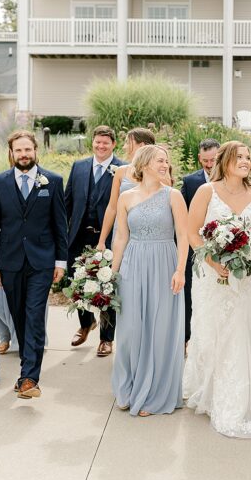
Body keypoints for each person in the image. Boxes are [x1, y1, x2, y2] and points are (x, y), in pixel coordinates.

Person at [183, 141, 251, 438]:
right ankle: (208, 391)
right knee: (211, 335)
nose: (247, 161)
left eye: (249, 156)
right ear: (225, 160)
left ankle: (237, 398)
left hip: (245, 282)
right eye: (240, 157)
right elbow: (191, 231)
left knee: (241, 334)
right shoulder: (206, 191)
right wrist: (213, 262)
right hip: (213, 279)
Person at [110, 145, 188, 417]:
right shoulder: (126, 197)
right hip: (133, 263)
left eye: (167, 161)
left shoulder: (173, 196)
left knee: (159, 329)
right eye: (160, 161)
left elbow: (183, 235)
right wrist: (111, 274)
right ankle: (128, 387)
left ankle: (154, 394)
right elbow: (120, 237)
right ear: (144, 164)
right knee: (131, 329)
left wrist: (180, 270)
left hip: (164, 262)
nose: (165, 165)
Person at [0, 130, 68, 399]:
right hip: (11, 261)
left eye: (28, 150)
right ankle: (26, 372)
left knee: (35, 317)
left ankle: (30, 378)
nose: (24, 155)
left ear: (36, 150)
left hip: (42, 261)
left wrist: (60, 261)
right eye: (19, 151)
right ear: (11, 153)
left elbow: (60, 224)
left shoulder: (52, 181)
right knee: (20, 318)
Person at [94, 127, 157, 356]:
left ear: (141, 145)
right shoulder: (121, 171)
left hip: (146, 236)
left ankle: (143, 340)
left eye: (128, 143)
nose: (125, 147)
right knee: (115, 284)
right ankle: (109, 338)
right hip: (122, 236)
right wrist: (102, 240)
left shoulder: (160, 170)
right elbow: (112, 207)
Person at [65, 125, 124, 353]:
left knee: (107, 286)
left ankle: (106, 338)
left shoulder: (123, 169)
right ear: (93, 142)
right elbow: (68, 203)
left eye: (105, 143)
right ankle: (85, 322)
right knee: (77, 281)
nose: (100, 146)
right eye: (97, 142)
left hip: (108, 238)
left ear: (113, 145)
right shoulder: (79, 167)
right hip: (79, 235)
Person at [181, 139, 220, 346]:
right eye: (204, 160)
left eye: (212, 159)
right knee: (191, 294)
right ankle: (186, 338)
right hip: (193, 247)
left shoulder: (229, 180)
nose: (208, 164)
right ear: (199, 158)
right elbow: (182, 214)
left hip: (222, 246)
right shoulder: (190, 182)